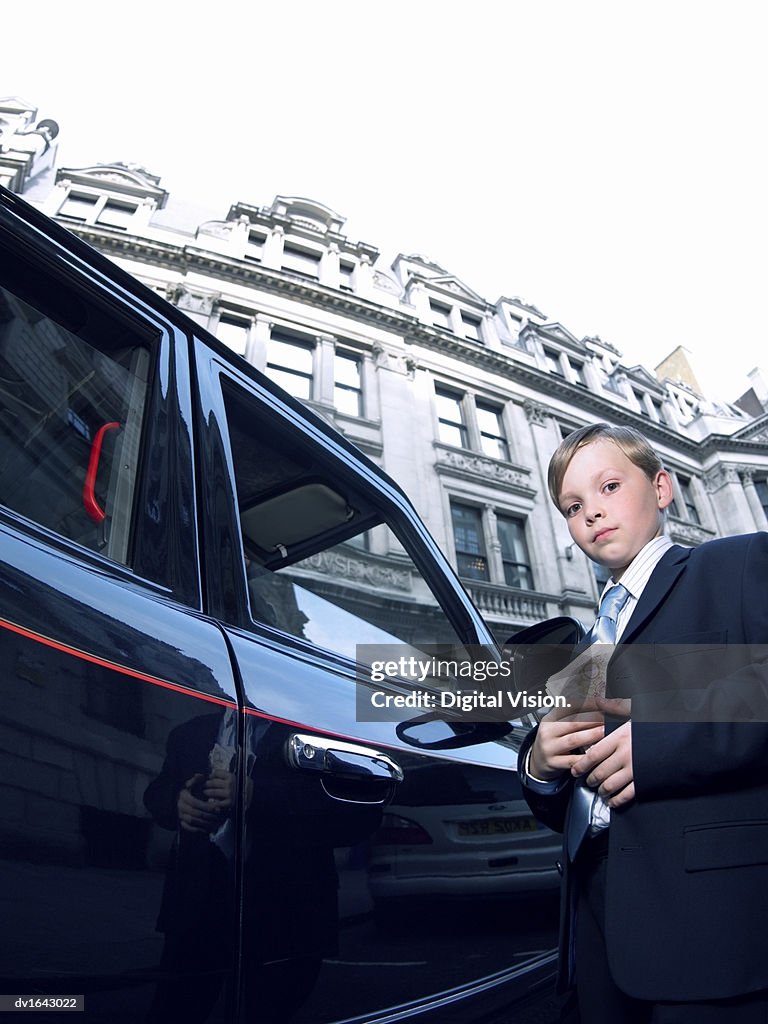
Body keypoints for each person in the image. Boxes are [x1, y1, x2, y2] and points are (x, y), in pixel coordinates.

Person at [518, 422, 768, 1023]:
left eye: (608, 487)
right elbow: (578, 784)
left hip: (712, 925)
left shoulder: (737, 563)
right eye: (574, 507)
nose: (592, 514)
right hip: (599, 924)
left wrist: (660, 745)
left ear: (662, 488)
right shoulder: (590, 643)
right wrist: (539, 764)